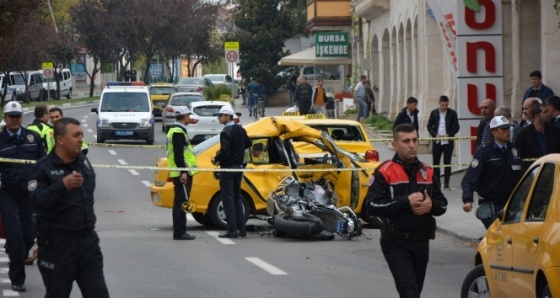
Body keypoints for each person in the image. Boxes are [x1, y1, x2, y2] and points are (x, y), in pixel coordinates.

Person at [28, 117, 109, 297]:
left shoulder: (82, 161)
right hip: (58, 245)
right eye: (76, 135)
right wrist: (61, 186)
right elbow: (35, 201)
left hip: (87, 242)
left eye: (81, 134)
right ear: (61, 140)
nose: (81, 139)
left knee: (99, 294)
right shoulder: (43, 168)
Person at [365, 123, 447, 298]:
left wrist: (431, 206)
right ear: (395, 145)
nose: (412, 145)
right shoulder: (384, 172)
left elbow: (443, 205)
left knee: (414, 291)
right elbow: (371, 207)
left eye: (415, 140)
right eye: (406, 141)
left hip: (421, 240)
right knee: (410, 293)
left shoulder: (428, 171)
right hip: (396, 241)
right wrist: (405, 201)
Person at [0, 101, 45, 292]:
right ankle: (18, 278)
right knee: (16, 235)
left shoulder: (32, 138)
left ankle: (15, 249)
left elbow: (43, 164)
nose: (15, 120)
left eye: (18, 116)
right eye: (11, 116)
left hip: (29, 194)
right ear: (5, 118)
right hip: (7, 194)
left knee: (28, 235)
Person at [462, 116, 523, 228]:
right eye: (503, 129)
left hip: (510, 203)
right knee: (497, 235)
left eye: (508, 128)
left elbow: (521, 176)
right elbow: (470, 178)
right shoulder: (484, 151)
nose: (507, 131)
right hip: (490, 204)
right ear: (494, 132)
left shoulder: (514, 150)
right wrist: (467, 200)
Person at [212, 106, 252, 238]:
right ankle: (242, 229)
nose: (219, 118)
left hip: (228, 168)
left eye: (221, 115)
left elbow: (225, 152)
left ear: (228, 116)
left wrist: (217, 159)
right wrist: (238, 152)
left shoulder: (226, 131)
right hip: (239, 167)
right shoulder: (240, 129)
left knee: (228, 198)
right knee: (237, 197)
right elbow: (248, 143)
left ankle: (232, 230)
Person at [166, 106, 198, 240]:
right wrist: (183, 172)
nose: (189, 118)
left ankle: (179, 231)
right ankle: (180, 232)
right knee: (181, 203)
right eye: (188, 116)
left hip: (179, 172)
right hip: (182, 173)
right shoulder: (178, 132)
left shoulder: (176, 130)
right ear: (184, 116)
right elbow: (179, 155)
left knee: (180, 202)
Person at [514, 100, 560, 171]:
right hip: (534, 173)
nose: (549, 114)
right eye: (545, 112)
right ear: (536, 115)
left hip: (553, 171)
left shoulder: (555, 131)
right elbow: (517, 157)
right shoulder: (524, 134)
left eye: (548, 111)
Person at [426, 95, 460, 190]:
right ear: (439, 103)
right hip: (437, 141)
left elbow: (456, 127)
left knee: (447, 162)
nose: (444, 107)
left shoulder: (452, 113)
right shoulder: (434, 113)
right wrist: (435, 134)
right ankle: (437, 183)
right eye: (442, 105)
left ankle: (446, 183)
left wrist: (449, 134)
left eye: (446, 105)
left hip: (447, 142)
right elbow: (429, 126)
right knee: (436, 163)